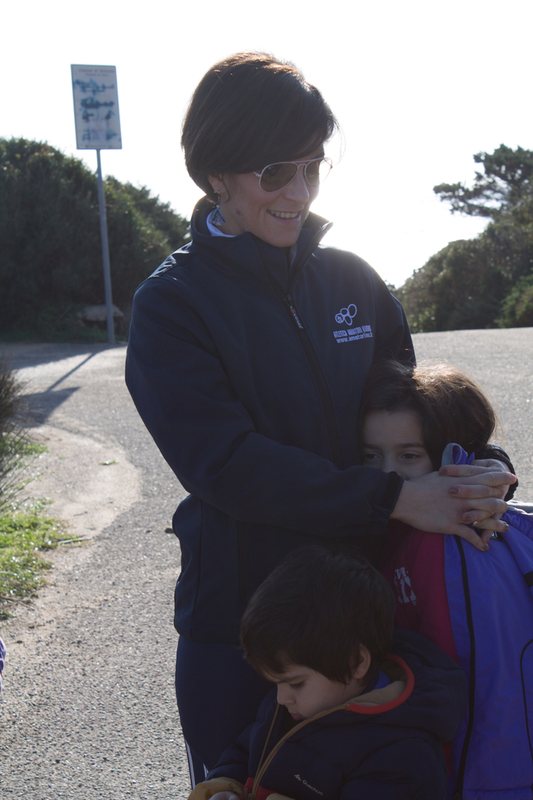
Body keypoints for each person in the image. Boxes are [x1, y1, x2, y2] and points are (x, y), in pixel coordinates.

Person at [125, 52, 513, 779]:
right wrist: (394, 497)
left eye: (311, 167)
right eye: (274, 173)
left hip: (372, 618)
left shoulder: (353, 280)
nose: (297, 193)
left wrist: (475, 471)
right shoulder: (172, 306)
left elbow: (417, 414)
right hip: (243, 631)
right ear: (215, 174)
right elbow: (225, 464)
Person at [359, 359, 533, 797]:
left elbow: (478, 683)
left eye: (409, 456)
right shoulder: (397, 530)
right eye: (371, 456)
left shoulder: (457, 543)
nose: (388, 475)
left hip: (485, 777)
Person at [188, 547, 466, 800]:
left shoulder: (402, 754)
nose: (282, 698)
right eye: (275, 684)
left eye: (295, 683)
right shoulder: (300, 704)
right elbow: (248, 749)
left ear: (356, 663)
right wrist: (226, 785)